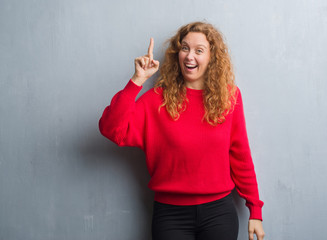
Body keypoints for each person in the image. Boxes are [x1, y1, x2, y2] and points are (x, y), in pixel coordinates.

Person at [99, 21, 265, 240]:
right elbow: (111, 129)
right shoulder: (156, 100)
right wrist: (137, 80)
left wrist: (255, 210)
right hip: (170, 215)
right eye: (185, 48)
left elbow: (241, 155)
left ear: (212, 57)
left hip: (219, 213)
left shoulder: (230, 97)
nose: (189, 56)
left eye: (199, 50)